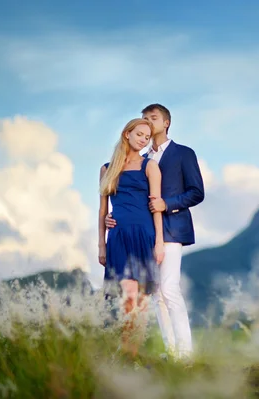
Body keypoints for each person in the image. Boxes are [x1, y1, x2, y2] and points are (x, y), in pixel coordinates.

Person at [105, 103, 205, 361]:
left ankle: (185, 356)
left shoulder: (183, 153)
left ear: (166, 123)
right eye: (144, 119)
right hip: (144, 234)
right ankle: (171, 353)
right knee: (156, 294)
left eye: (153, 118)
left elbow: (197, 192)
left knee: (169, 289)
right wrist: (112, 216)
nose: (148, 122)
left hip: (171, 230)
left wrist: (167, 204)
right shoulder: (143, 157)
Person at [98, 117, 165, 357]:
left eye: (147, 137)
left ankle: (132, 355)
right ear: (127, 134)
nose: (143, 140)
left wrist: (159, 242)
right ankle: (125, 352)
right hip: (117, 237)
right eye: (139, 134)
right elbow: (102, 210)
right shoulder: (107, 169)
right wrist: (101, 245)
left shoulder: (150, 166)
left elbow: (156, 206)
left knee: (142, 301)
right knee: (127, 296)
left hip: (143, 235)